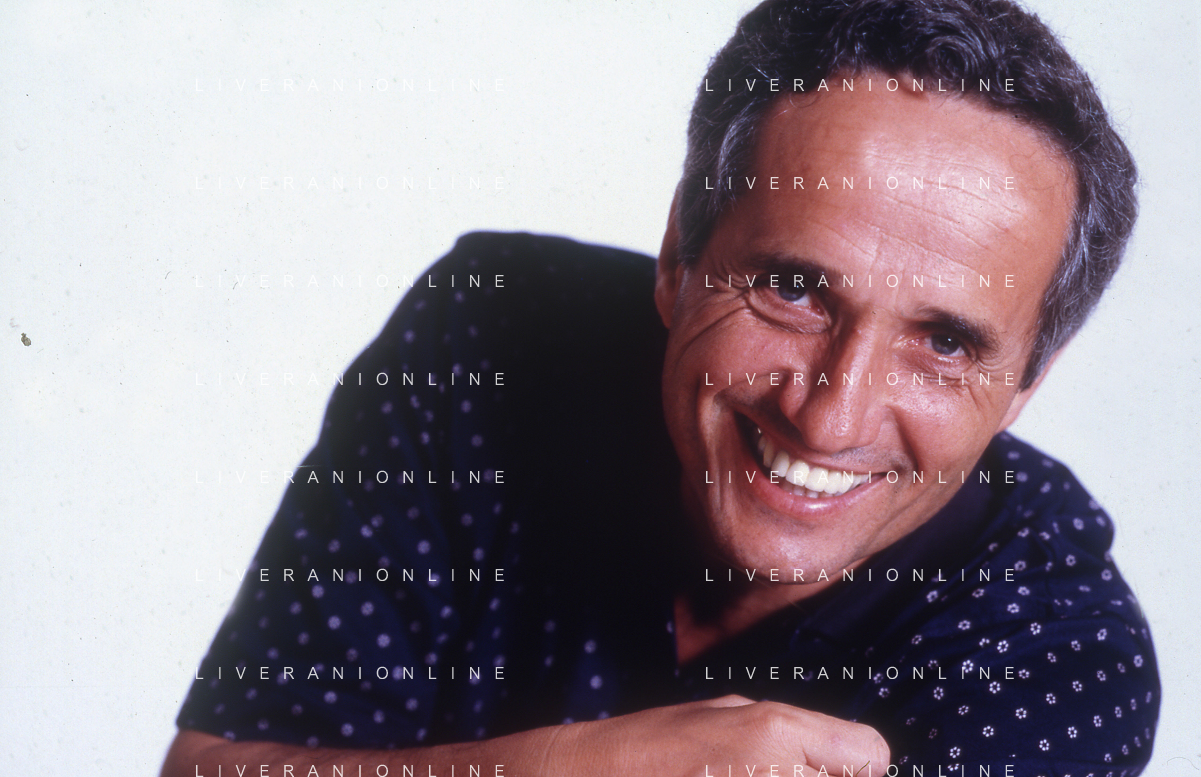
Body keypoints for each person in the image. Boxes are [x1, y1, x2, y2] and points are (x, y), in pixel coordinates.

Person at [162, 0, 1159, 774]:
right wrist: (563, 768)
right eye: (793, 289)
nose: (830, 415)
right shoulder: (492, 335)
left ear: (1025, 382)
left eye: (942, 342)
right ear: (681, 252)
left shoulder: (1060, 659)